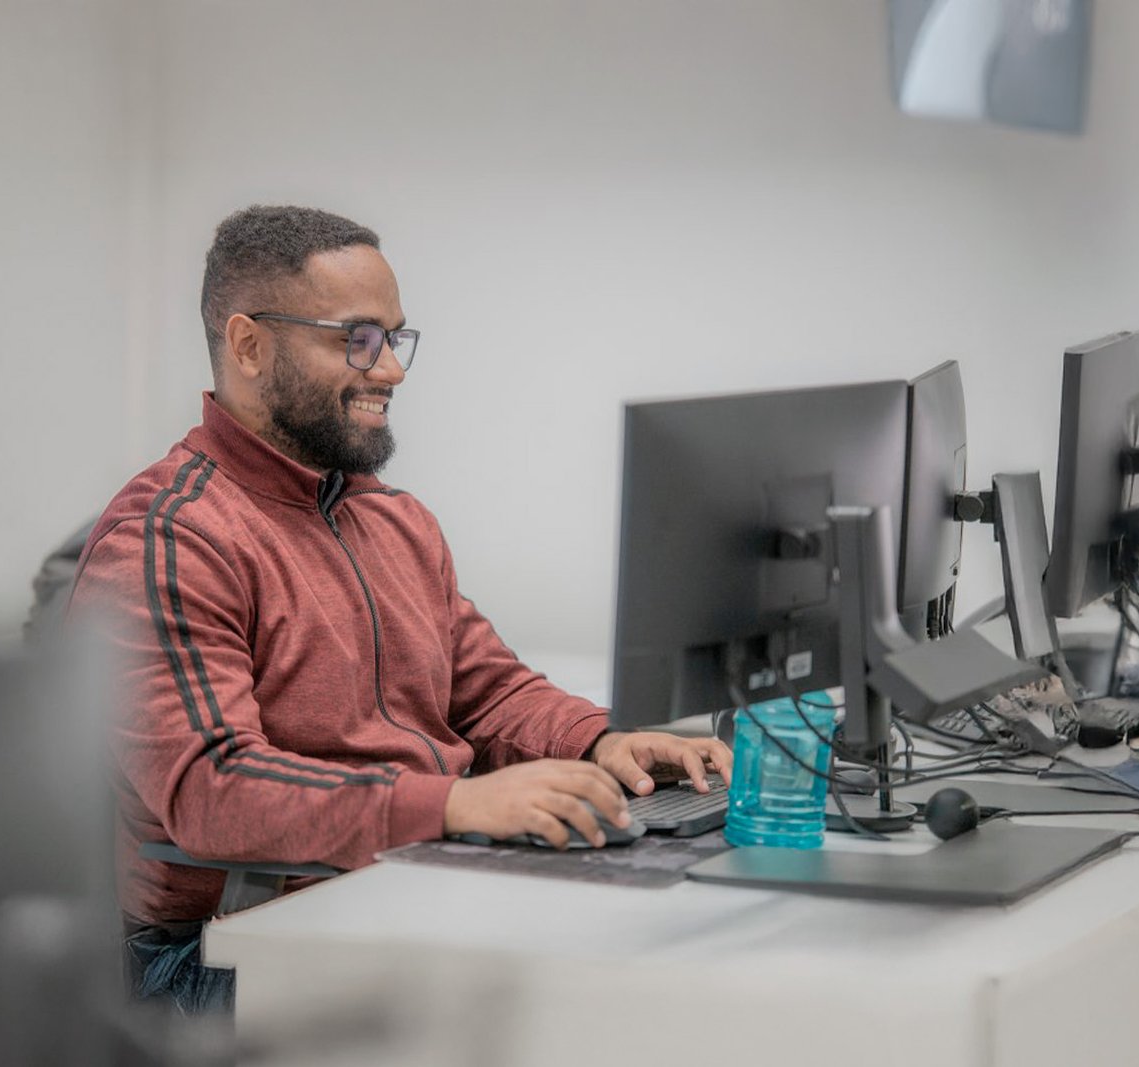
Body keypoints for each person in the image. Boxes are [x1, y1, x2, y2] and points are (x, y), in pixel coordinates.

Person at [69, 205, 731, 1011]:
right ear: (248, 346)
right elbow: (216, 785)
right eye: (357, 338)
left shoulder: (392, 519)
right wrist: (452, 803)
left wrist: (604, 741)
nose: (390, 369)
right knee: (566, 1006)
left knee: (657, 969)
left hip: (400, 881)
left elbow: (488, 691)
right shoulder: (169, 537)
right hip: (217, 950)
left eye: (393, 337)